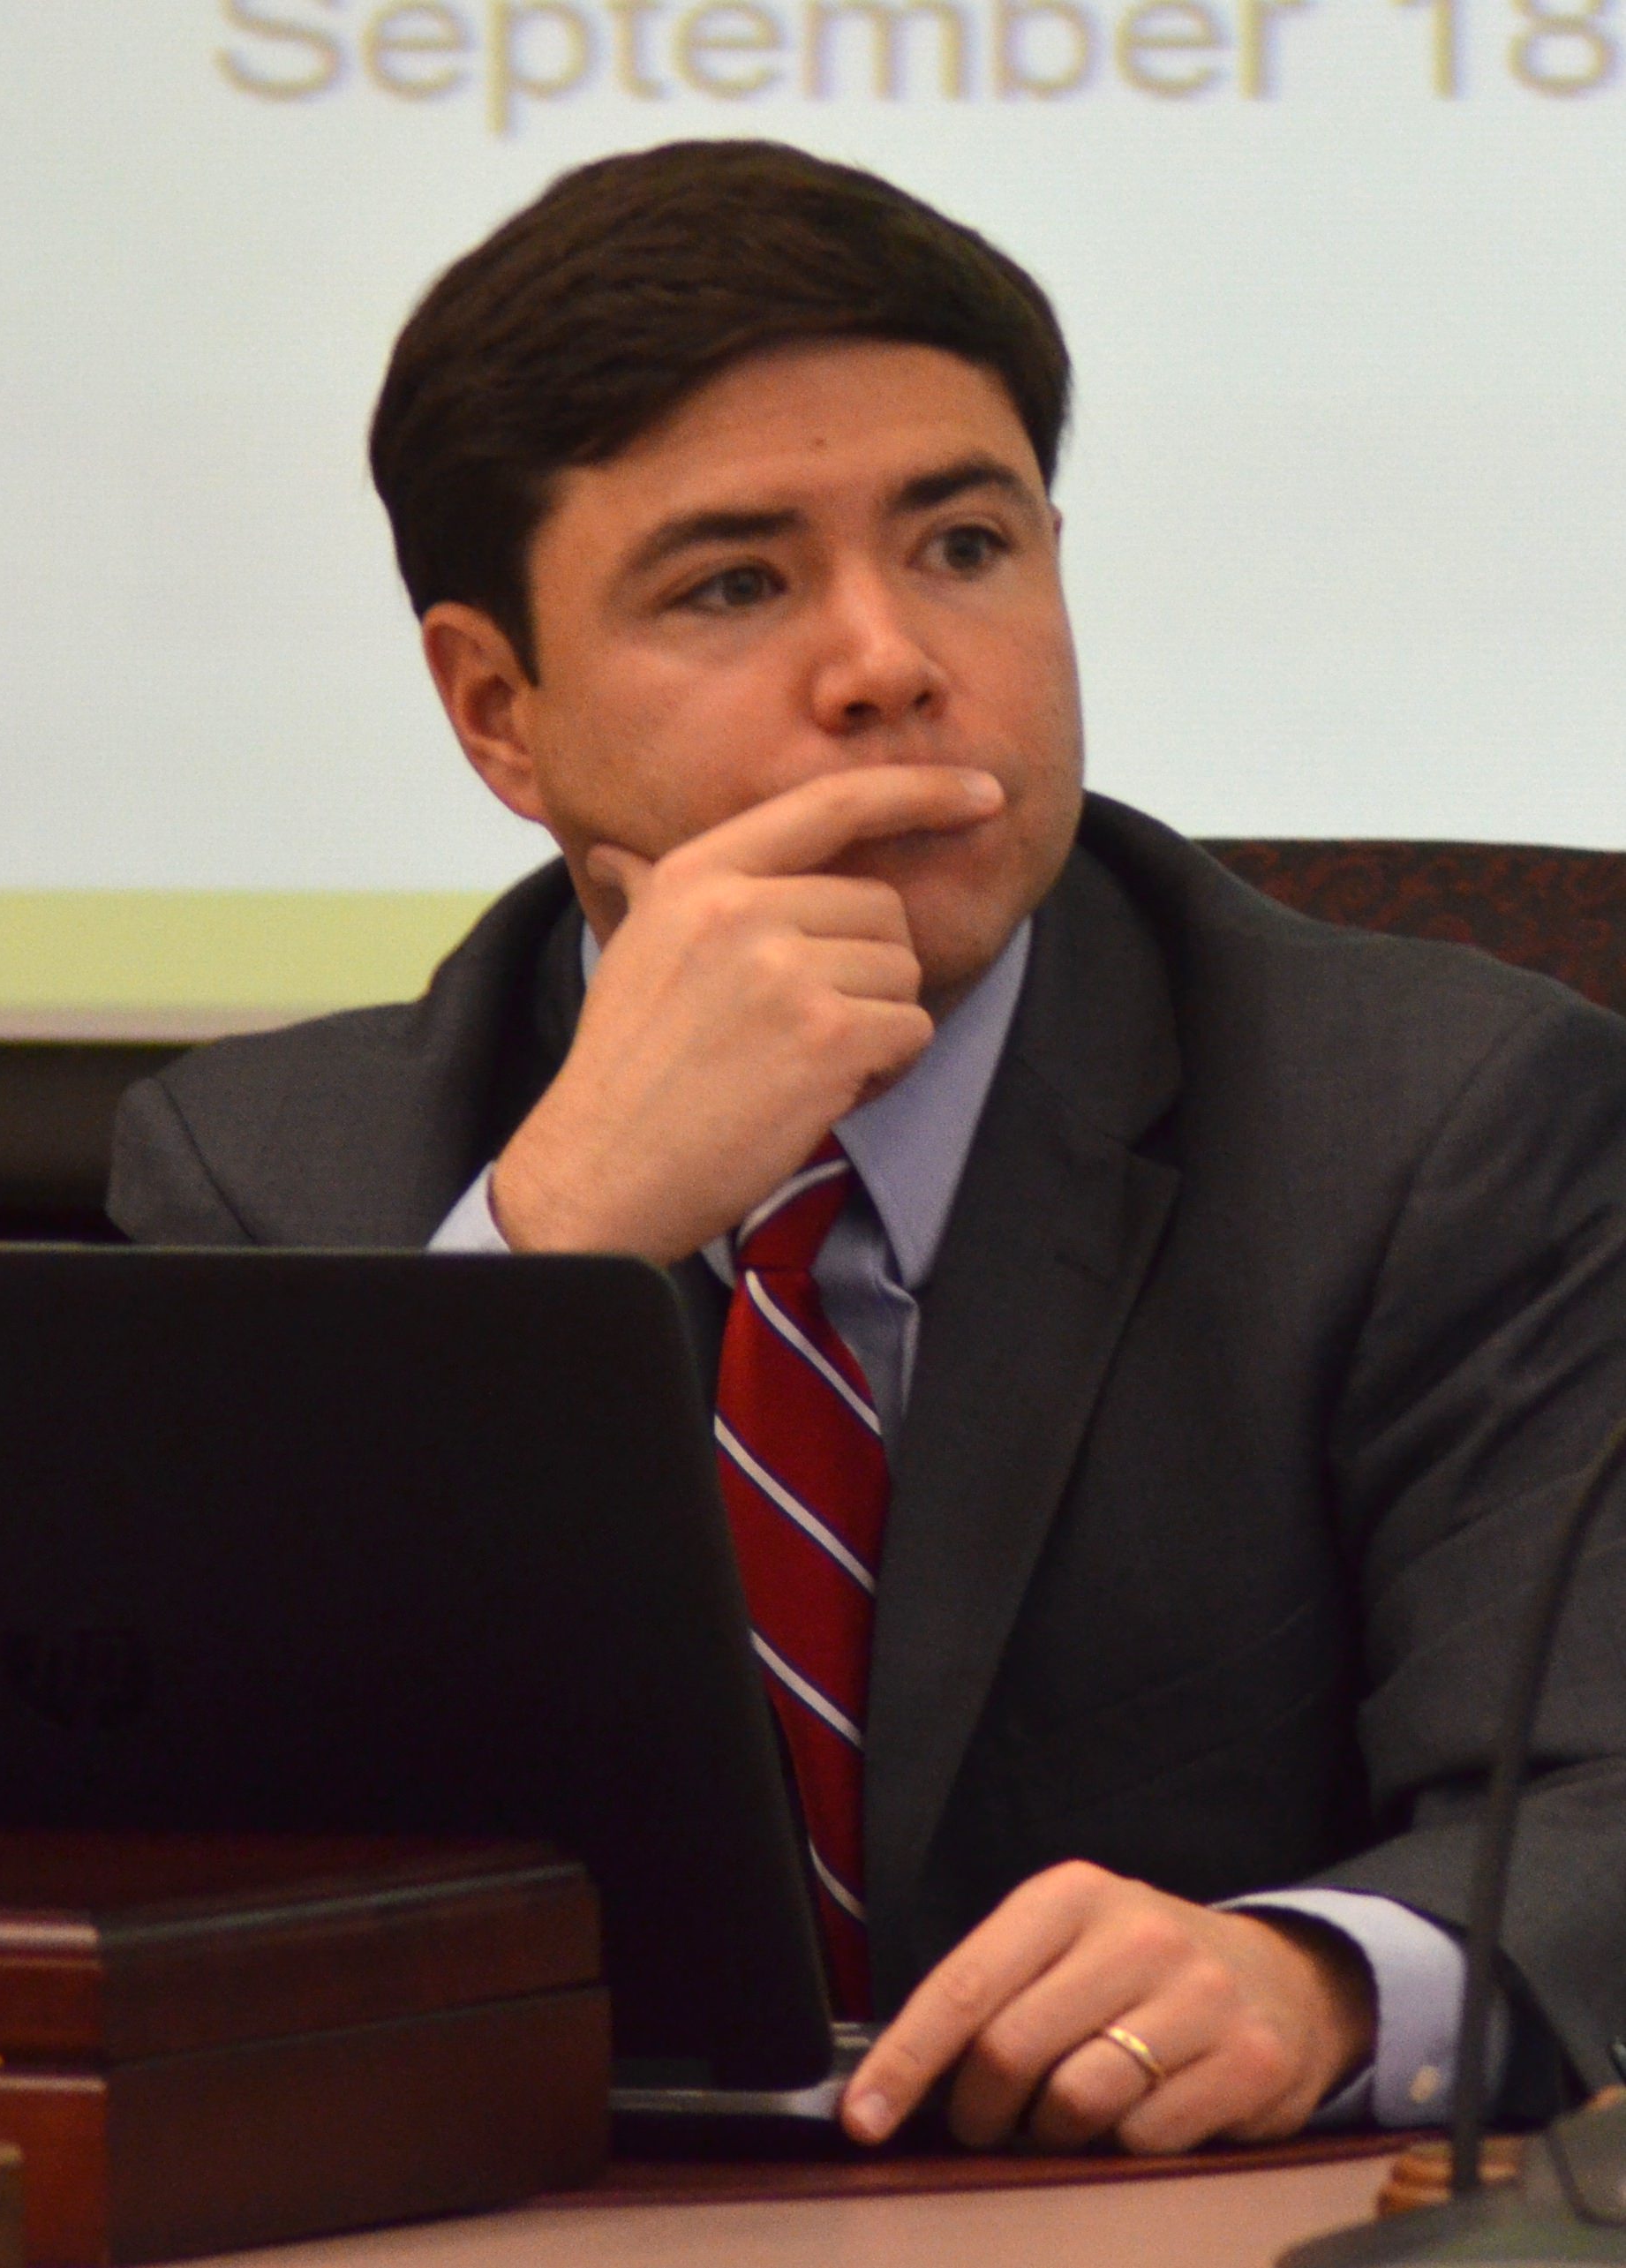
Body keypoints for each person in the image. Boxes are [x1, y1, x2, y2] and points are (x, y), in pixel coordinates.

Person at [106, 139, 1626, 2154]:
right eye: (735, 583)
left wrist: (1320, 1972)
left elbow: (1598, 1802)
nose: (892, 660)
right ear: (498, 713)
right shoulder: (274, 1169)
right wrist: (554, 1242)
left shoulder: (1429, 1117)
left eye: (964, 547)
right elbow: (147, 1842)